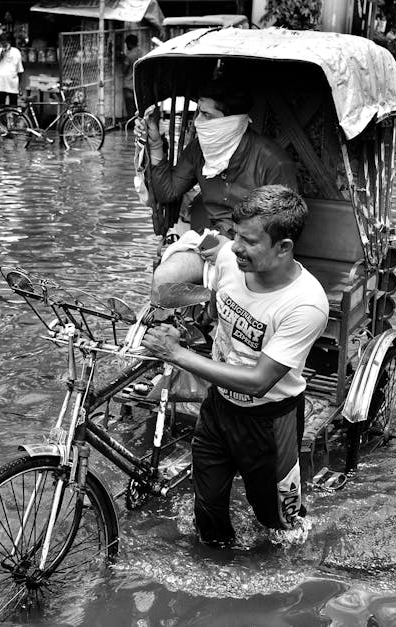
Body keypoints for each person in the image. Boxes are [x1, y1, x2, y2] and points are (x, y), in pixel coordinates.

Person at [140, 185, 329, 546]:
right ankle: (217, 577)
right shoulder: (230, 258)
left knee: (280, 524)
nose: (237, 247)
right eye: (236, 236)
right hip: (219, 409)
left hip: (270, 423)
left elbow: (260, 382)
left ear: (283, 248)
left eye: (250, 241)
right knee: (207, 510)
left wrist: (177, 354)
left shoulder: (305, 304)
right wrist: (167, 297)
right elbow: (202, 258)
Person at [140, 78, 298, 239]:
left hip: (251, 248)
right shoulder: (198, 149)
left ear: (231, 121)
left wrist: (234, 245)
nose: (196, 122)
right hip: (212, 237)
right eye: (199, 112)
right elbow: (168, 191)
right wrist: (156, 145)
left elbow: (283, 226)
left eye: (207, 115)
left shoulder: (273, 161)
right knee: (178, 258)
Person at [0, 35, 24, 111]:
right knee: (1, 106)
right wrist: (0, 58)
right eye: (2, 43)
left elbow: (20, 70)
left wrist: (20, 86)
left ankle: (12, 121)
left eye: (5, 43)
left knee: (13, 107)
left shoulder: (16, 52)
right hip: (0, 84)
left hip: (13, 84)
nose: (4, 46)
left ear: (9, 42)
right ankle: (1, 121)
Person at [122, 34, 144, 120]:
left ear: (129, 44)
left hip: (129, 84)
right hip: (139, 84)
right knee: (139, 106)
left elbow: (124, 69)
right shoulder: (142, 53)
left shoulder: (129, 56)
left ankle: (131, 126)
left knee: (130, 108)